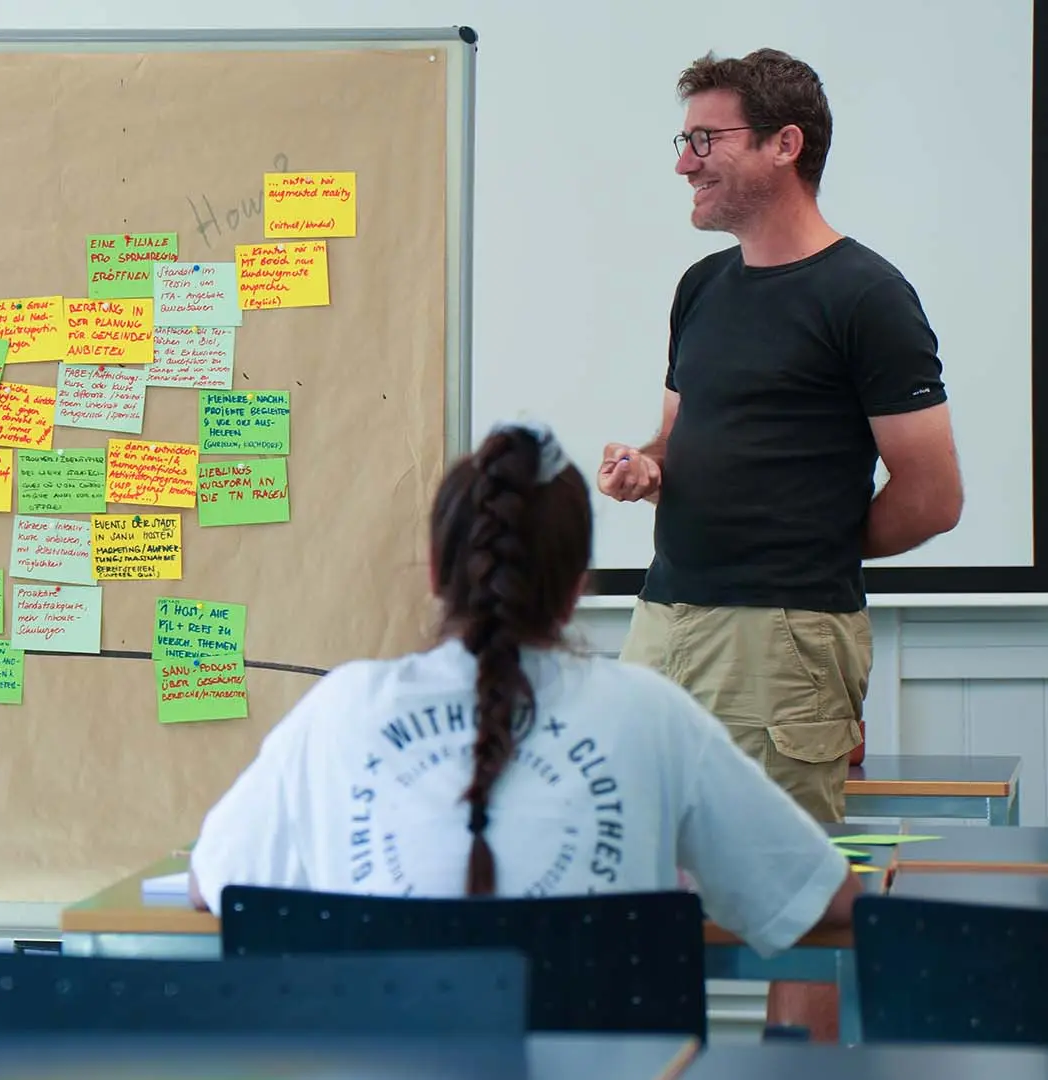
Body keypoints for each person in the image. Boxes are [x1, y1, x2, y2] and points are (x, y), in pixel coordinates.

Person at [186, 421, 862, 970]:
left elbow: (212, 883)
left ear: (435, 573)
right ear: (577, 585)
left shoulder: (340, 711)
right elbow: (828, 899)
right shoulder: (652, 715)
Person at [597, 49, 962, 1039]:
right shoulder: (701, 287)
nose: (683, 162)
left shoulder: (867, 295)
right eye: (684, 140)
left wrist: (810, 544)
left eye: (703, 140)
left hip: (785, 641)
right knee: (633, 869)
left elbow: (933, 498)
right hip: (663, 625)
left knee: (796, 903)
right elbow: (677, 434)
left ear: (784, 145)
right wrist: (648, 467)